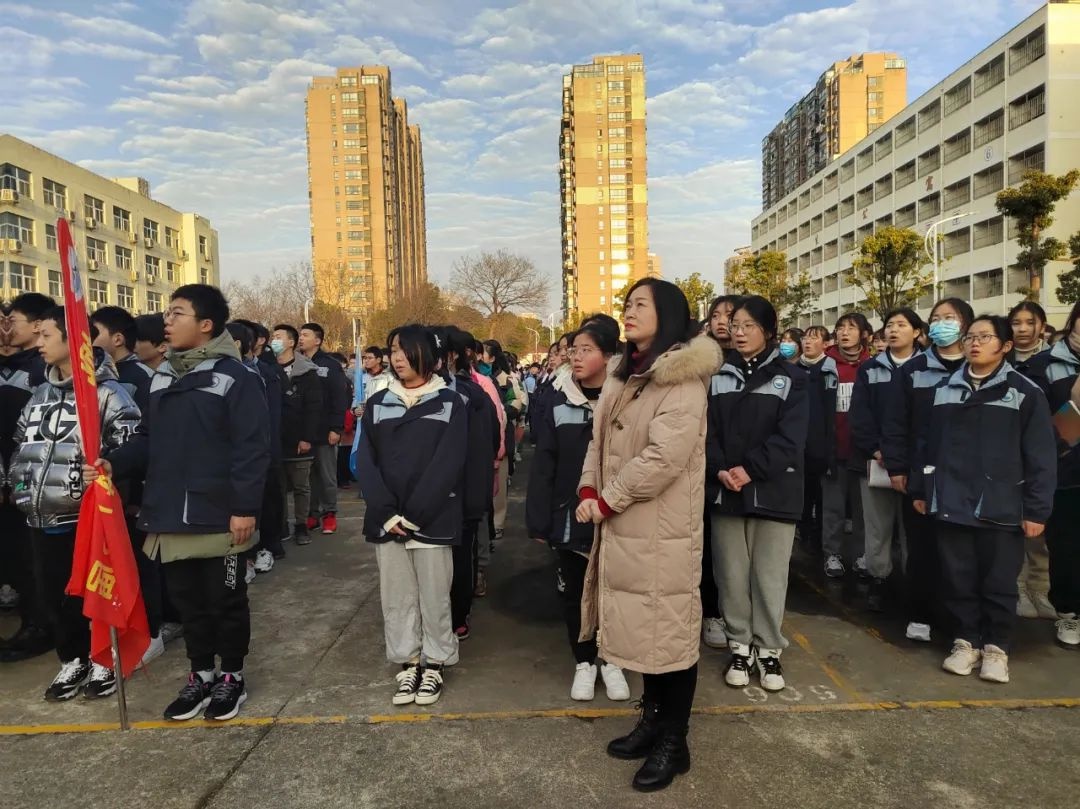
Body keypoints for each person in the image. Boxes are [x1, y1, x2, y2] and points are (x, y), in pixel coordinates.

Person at [87, 285, 270, 722]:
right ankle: (201, 674)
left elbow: (252, 448)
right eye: (168, 313)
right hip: (170, 512)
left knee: (225, 600)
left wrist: (244, 507)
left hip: (219, 513)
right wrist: (114, 463)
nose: (166, 320)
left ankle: (232, 677)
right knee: (189, 603)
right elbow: (149, 439)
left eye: (177, 313)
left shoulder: (236, 377)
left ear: (205, 325)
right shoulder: (164, 376)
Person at [576, 278, 721, 792]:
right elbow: (598, 441)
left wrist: (609, 497)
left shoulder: (681, 378)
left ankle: (673, 741)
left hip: (661, 529)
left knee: (670, 633)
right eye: (627, 304)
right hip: (622, 523)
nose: (629, 312)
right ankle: (652, 719)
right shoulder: (625, 374)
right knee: (644, 630)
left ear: (670, 313)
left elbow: (664, 457)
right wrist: (589, 487)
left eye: (641, 305)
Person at [914, 315, 1055, 683]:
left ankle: (997, 648)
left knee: (998, 582)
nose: (974, 343)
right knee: (958, 578)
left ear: (1005, 346)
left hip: (1001, 506)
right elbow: (927, 446)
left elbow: (1041, 456)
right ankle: (966, 641)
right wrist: (922, 490)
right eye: (970, 337)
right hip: (951, 501)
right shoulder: (945, 389)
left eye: (985, 337)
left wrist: (1037, 509)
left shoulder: (1024, 392)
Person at [13, 307, 140, 700]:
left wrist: (108, 469)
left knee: (94, 593)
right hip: (39, 514)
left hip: (85, 517)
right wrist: (20, 486)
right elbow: (22, 445)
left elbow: (132, 444)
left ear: (74, 341)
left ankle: (105, 657)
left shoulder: (107, 393)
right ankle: (73, 658)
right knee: (53, 594)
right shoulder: (38, 394)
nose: (38, 345)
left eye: (46, 336)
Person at [354, 325, 467, 707]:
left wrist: (415, 514)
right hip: (388, 521)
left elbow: (448, 464)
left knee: (435, 595)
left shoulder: (451, 401)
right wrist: (386, 514)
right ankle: (408, 661)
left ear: (427, 355)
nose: (397, 357)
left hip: (431, 518)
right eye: (392, 350)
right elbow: (366, 462)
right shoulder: (378, 402)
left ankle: (435, 662)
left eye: (404, 350)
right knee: (397, 597)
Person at [707, 296, 808, 693]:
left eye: (748, 325)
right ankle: (738, 645)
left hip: (774, 491)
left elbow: (791, 439)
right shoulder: (717, 375)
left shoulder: (793, 379)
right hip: (726, 490)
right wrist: (719, 469)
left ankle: (768, 650)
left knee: (769, 575)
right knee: (731, 574)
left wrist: (750, 469)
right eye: (735, 325)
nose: (739, 332)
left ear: (769, 331)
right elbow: (706, 431)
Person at [527, 324, 630, 703]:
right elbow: (545, 464)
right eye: (573, 350)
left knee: (614, 590)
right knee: (575, 593)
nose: (576, 357)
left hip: (619, 512)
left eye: (586, 350)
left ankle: (613, 660)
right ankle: (584, 660)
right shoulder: (559, 400)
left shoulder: (627, 397)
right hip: (570, 514)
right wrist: (540, 518)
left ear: (607, 354)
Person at [881, 297, 976, 644]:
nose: (941, 323)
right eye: (936, 318)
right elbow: (895, 423)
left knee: (961, 552)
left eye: (949, 318)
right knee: (921, 548)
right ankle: (919, 613)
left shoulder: (978, 368)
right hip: (922, 476)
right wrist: (897, 467)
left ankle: (956, 618)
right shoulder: (913, 370)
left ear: (966, 325)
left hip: (968, 479)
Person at [849, 308, 924, 613]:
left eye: (902, 325)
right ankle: (879, 578)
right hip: (878, 461)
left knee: (913, 529)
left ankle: (913, 583)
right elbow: (860, 415)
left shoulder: (926, 368)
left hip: (917, 464)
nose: (893, 330)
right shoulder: (870, 369)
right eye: (890, 325)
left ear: (917, 332)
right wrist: (879, 451)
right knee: (878, 525)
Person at [0, 292, 54, 663]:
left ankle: (40, 625)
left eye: (9, 320)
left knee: (29, 558)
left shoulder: (39, 371)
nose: (5, 328)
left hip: (26, 483)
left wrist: (16, 482)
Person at [1025, 301, 1080, 649]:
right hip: (1068, 474)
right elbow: (1040, 429)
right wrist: (1075, 408)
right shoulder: (1044, 366)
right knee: (1068, 547)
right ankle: (1070, 613)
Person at [438, 327, 498, 641]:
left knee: (460, 557)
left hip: (461, 498)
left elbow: (490, 442)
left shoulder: (472, 394)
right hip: (424, 503)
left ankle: (458, 616)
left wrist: (477, 494)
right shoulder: (399, 396)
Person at [700, 295, 744, 650]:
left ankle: (741, 618)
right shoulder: (700, 362)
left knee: (739, 551)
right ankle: (711, 612)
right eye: (715, 315)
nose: (723, 322)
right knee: (707, 547)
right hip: (705, 464)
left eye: (730, 316)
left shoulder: (753, 364)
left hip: (744, 468)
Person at [1006, 300, 1054, 620]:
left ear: (1042, 326)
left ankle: (1041, 588)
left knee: (1040, 529)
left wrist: (1059, 441)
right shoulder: (1001, 358)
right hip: (1007, 457)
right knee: (1012, 526)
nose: (1022, 329)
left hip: (1047, 451)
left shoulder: (1054, 361)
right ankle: (1019, 586)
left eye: (1029, 322)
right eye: (1016, 323)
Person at [822, 313, 872, 578]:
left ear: (864, 334)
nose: (844, 332)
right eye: (840, 328)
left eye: (851, 328)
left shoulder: (872, 366)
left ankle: (865, 555)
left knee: (864, 509)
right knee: (833, 507)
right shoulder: (825, 365)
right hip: (834, 450)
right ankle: (832, 554)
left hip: (863, 453)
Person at [273, 324, 322, 546]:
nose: (274, 340)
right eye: (272, 336)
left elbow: (314, 408)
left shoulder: (307, 372)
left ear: (291, 342)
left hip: (299, 439)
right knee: (278, 487)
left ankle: (301, 525)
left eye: (278, 337)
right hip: (275, 440)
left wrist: (307, 438)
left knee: (302, 486)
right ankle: (280, 524)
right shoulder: (267, 369)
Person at [298, 322, 349, 535]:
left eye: (306, 335)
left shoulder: (329, 365)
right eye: (300, 334)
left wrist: (336, 428)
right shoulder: (297, 363)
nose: (301, 338)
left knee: (327, 475)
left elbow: (340, 397)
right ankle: (312, 514)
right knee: (308, 478)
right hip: (304, 432)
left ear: (317, 340)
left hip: (325, 430)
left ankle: (330, 514)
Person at [798, 325, 837, 551]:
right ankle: (804, 531)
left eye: (814, 338)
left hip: (821, 443)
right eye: (805, 338)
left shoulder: (830, 370)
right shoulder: (795, 370)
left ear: (826, 344)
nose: (807, 342)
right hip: (799, 444)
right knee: (804, 493)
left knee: (823, 495)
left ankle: (821, 537)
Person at [90, 306, 154, 414]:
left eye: (94, 334)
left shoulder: (144, 377)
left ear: (118, 339)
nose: (88, 339)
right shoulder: (93, 373)